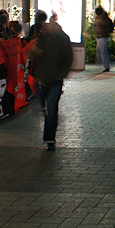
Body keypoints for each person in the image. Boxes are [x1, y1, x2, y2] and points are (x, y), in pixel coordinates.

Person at [28, 13, 73, 151]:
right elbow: (34, 57)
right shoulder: (43, 38)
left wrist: (60, 75)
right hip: (43, 79)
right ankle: (49, 135)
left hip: (55, 80)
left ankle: (49, 139)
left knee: (51, 109)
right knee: (47, 108)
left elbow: (68, 59)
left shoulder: (63, 39)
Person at [94, 6, 114, 72]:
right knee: (101, 51)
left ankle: (106, 66)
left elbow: (110, 27)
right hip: (100, 36)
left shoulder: (104, 19)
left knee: (103, 51)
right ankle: (104, 65)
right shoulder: (103, 18)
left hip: (102, 36)